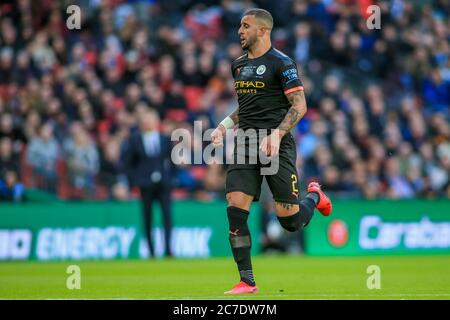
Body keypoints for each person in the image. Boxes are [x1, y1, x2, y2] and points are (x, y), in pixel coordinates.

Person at [210, 8, 333, 294]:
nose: (240, 31)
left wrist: (277, 135)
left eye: (246, 26)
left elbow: (299, 106)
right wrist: (224, 126)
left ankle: (315, 196)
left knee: (290, 221)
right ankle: (246, 280)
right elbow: (247, 105)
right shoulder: (238, 65)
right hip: (246, 145)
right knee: (235, 208)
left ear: (263, 31)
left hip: (276, 144)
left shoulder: (282, 63)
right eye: (240, 26)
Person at [122, 108, 173, 258]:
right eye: (145, 121)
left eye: (150, 120)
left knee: (167, 217)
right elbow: (128, 163)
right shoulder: (134, 139)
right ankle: (151, 252)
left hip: (163, 184)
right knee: (147, 218)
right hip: (145, 185)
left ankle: (168, 250)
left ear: (156, 122)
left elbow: (172, 161)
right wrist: (134, 181)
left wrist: (171, 178)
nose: (148, 123)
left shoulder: (165, 139)